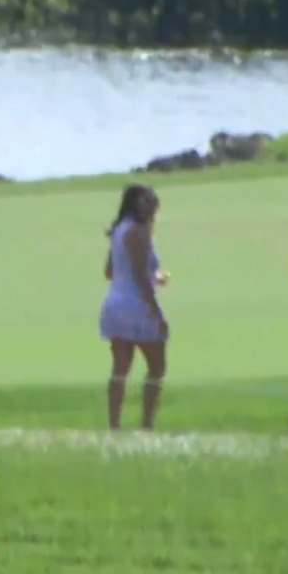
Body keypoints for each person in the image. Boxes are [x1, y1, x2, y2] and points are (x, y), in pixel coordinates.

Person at [99, 183, 171, 431]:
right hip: (135, 304)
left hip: (115, 301)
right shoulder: (139, 232)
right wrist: (156, 311)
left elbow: (110, 271)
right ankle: (146, 424)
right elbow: (141, 275)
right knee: (157, 366)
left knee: (120, 367)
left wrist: (156, 276)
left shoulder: (120, 230)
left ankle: (114, 425)